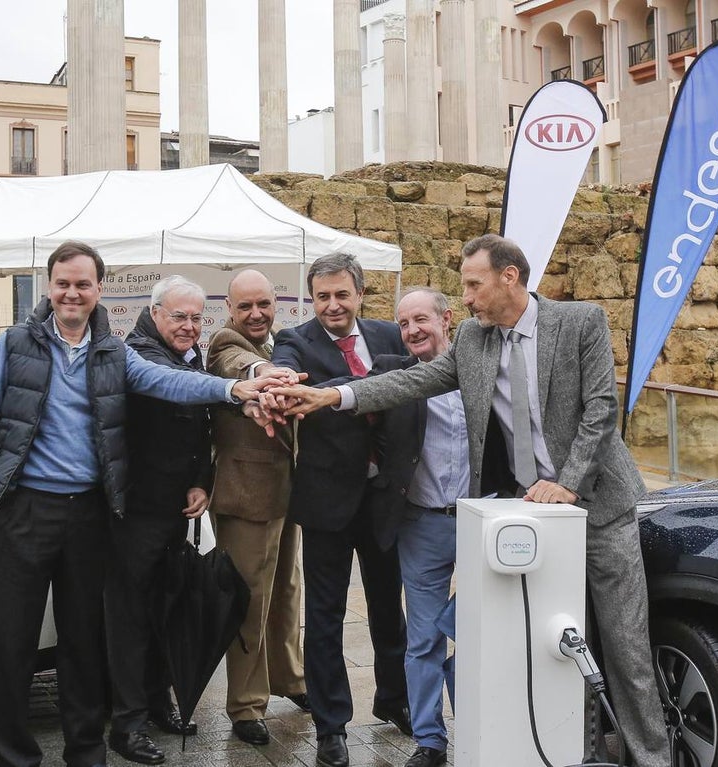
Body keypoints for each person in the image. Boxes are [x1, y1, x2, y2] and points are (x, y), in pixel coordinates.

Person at [268, 234, 672, 767]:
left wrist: (568, 483)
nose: (469, 297)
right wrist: (332, 395)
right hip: (531, 516)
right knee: (555, 646)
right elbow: (408, 383)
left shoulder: (580, 321)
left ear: (509, 277)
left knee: (625, 647)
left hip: (597, 508)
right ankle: (579, 751)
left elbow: (601, 410)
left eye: (474, 285)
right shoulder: (474, 343)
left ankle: (652, 757)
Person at [0, 241, 277, 767]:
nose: (72, 292)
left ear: (98, 290)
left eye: (83, 284)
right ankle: (13, 757)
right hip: (23, 511)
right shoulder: (15, 344)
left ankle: (86, 752)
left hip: (88, 515)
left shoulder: (112, 351)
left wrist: (232, 390)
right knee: (12, 644)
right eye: (63, 282)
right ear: (49, 285)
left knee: (83, 643)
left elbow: (167, 380)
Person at [270, 253, 411, 767]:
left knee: (386, 609)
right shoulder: (297, 341)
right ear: (312, 298)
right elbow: (282, 368)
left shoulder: (388, 337)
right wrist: (281, 378)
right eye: (322, 296)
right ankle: (332, 725)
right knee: (325, 617)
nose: (332, 305)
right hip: (327, 502)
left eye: (341, 294)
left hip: (384, 499)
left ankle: (394, 699)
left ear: (359, 293)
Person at [103, 275, 211, 766]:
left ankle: (157, 700)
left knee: (164, 608)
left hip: (172, 508)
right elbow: (174, 394)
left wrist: (202, 480)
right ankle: (126, 725)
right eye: (180, 316)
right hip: (136, 510)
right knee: (129, 617)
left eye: (196, 317)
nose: (189, 326)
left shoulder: (189, 353)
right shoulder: (139, 353)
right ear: (155, 312)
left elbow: (201, 427)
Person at [205, 269, 308, 746]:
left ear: (276, 303)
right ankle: (246, 706)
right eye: (245, 306)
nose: (255, 314)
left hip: (287, 493)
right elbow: (238, 364)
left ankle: (290, 679)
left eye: (263, 304)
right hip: (245, 496)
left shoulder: (280, 341)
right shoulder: (225, 343)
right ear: (229, 309)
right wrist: (267, 375)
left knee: (286, 593)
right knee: (248, 601)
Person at [368, 288, 467, 767]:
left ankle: (480, 716)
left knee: (481, 628)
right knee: (424, 638)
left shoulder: (481, 371)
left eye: (421, 320)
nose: (412, 332)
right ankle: (430, 740)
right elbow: (357, 388)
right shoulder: (394, 373)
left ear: (447, 319)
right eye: (404, 324)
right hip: (421, 525)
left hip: (481, 523)